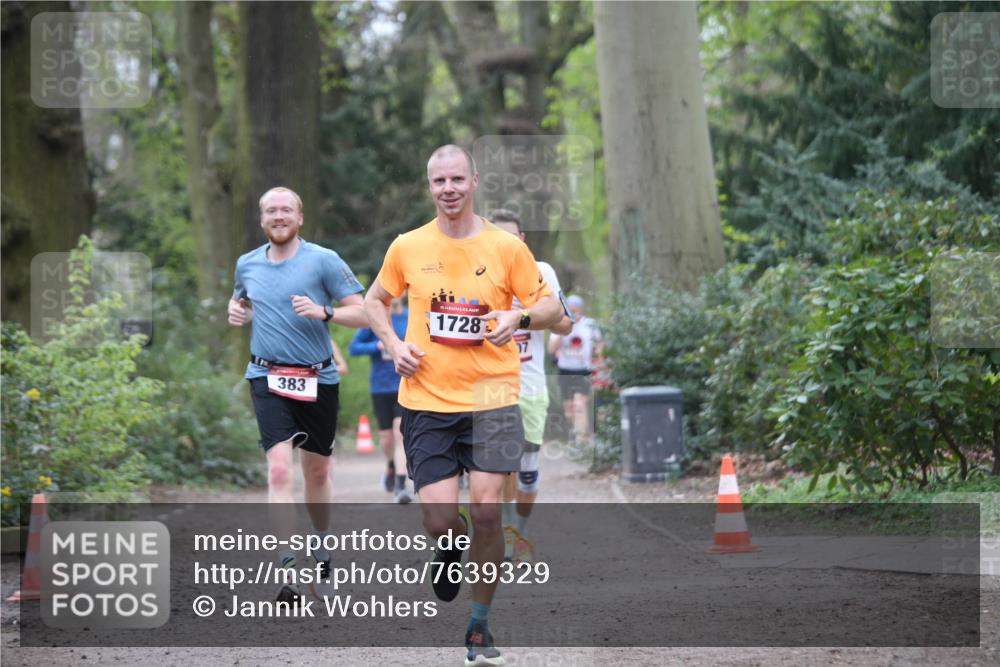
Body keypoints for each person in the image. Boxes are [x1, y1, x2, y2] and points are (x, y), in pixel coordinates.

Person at [364, 145, 562, 666]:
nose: (448, 188)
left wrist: (518, 319)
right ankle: (449, 546)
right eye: (438, 181)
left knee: (487, 514)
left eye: (456, 178)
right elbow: (374, 301)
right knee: (438, 519)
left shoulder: (505, 248)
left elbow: (550, 306)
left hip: (493, 395)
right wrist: (393, 344)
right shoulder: (407, 246)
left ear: (474, 181)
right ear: (429, 186)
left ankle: (479, 624)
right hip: (426, 398)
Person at [228, 186, 367, 602]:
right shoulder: (247, 263)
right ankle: (288, 568)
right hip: (266, 376)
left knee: (317, 473)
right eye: (270, 210)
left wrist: (325, 312)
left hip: (317, 378)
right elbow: (241, 302)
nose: (278, 216)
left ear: (299, 217)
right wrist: (237, 311)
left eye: (286, 209)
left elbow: (362, 312)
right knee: (279, 471)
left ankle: (321, 549)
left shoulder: (323, 260)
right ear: (262, 219)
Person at [490, 209, 573, 566]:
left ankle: (520, 527)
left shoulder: (542, 272)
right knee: (502, 467)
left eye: (512, 239)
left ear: (521, 240)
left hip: (532, 387)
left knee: (527, 473)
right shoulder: (480, 274)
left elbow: (566, 326)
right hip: (491, 388)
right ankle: (506, 536)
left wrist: (529, 313)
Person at [349, 295, 411, 503]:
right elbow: (354, 348)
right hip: (380, 387)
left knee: (400, 432)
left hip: (405, 385)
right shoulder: (376, 319)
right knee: (386, 439)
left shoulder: (412, 317)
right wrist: (376, 346)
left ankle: (401, 485)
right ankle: (391, 466)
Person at [548, 295, 603, 448]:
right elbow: (551, 349)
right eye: (570, 308)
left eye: (576, 307)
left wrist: (599, 359)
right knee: (569, 409)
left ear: (581, 308)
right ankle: (577, 432)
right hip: (565, 370)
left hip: (583, 370)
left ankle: (581, 440)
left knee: (580, 404)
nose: (573, 310)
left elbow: (600, 344)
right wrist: (562, 329)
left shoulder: (590, 325)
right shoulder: (559, 324)